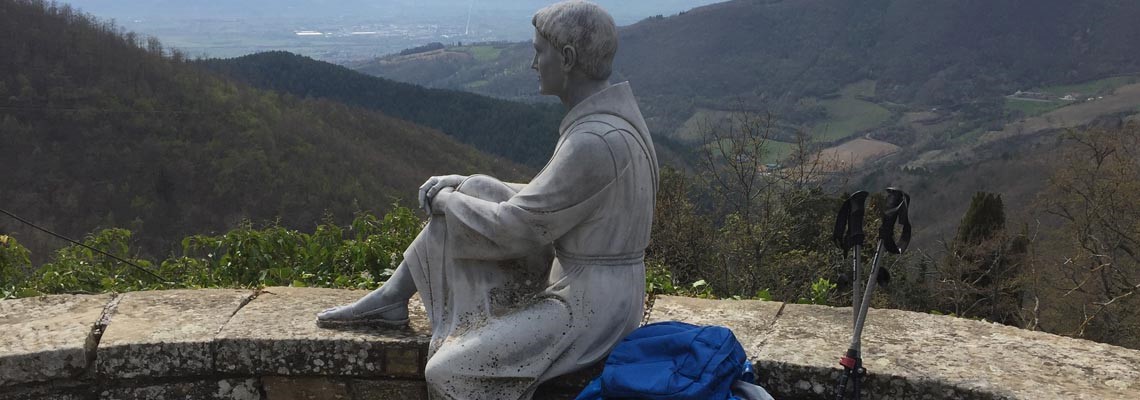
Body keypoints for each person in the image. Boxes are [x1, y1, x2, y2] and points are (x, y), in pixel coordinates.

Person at [317, 1, 658, 398]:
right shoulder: (606, 122)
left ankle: (393, 300)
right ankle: (392, 297)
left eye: (539, 52)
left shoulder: (594, 141)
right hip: (594, 283)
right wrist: (464, 185)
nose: (534, 63)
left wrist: (445, 202)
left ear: (566, 58)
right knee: (477, 187)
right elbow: (552, 200)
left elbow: (518, 229)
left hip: (592, 306)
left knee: (450, 372)